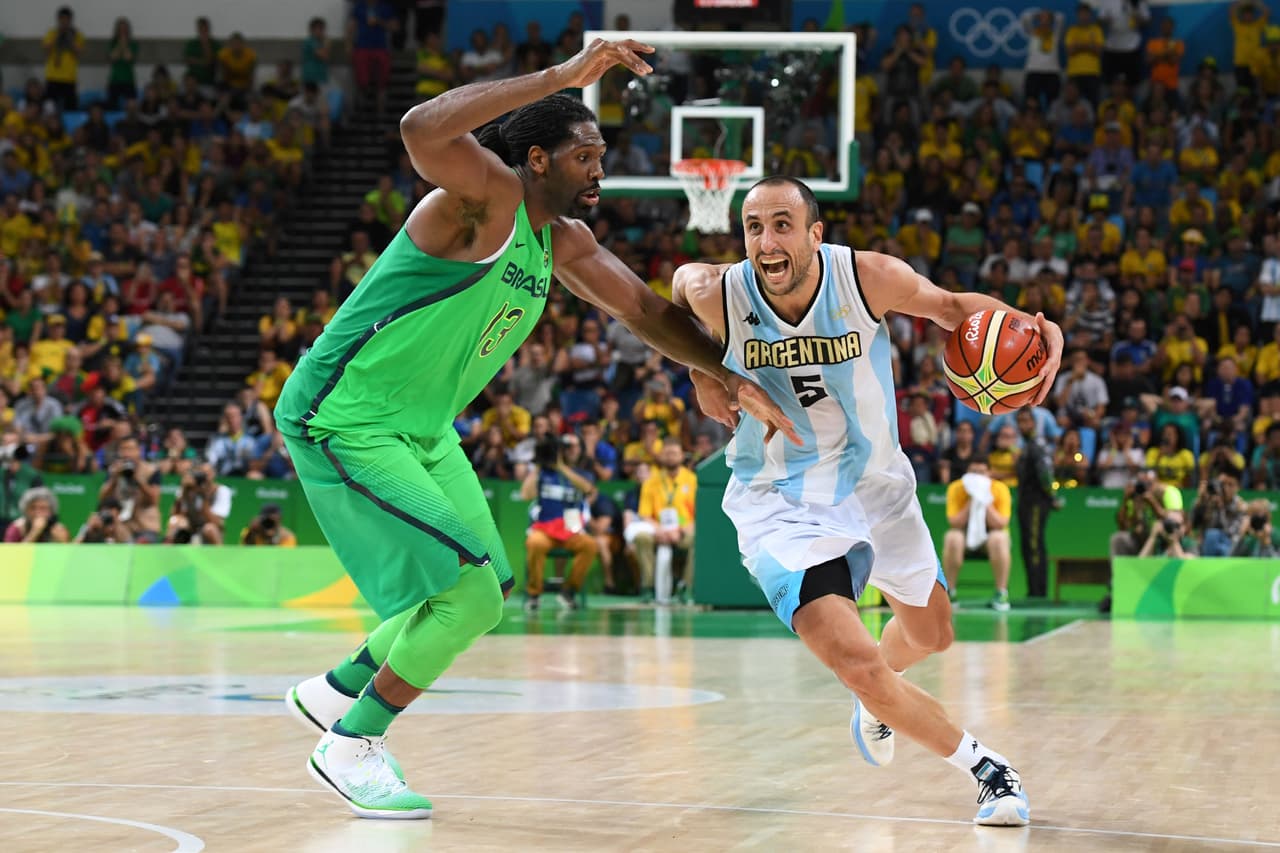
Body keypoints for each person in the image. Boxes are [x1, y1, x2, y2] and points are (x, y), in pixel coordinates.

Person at [273, 38, 794, 819]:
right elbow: (421, 129)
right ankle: (352, 738)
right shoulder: (482, 193)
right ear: (539, 159)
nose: (600, 170)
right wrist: (561, 78)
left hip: (420, 428)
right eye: (585, 155)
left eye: (604, 154)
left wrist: (724, 372)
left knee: (492, 586)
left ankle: (339, 686)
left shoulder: (561, 243)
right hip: (345, 414)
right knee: (468, 596)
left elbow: (646, 311)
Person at [673, 175, 1064, 826]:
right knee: (857, 661)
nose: (766, 242)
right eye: (752, 228)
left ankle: (877, 698)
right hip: (780, 502)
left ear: (814, 234)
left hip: (875, 481)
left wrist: (1039, 333)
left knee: (933, 632)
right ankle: (990, 771)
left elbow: (952, 309)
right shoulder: (724, 291)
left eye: (781, 225)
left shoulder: (868, 277)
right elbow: (680, 289)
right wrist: (701, 368)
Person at [520, 432, 597, 611]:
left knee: (590, 545)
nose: (570, 451)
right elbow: (526, 494)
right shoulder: (543, 473)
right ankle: (534, 594)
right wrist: (539, 465)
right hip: (545, 527)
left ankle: (568, 592)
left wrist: (561, 467)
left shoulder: (583, 474)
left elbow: (588, 488)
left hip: (571, 527)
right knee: (534, 542)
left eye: (574, 447)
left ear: (581, 450)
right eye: (565, 447)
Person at [631, 436, 697, 603]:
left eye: (674, 453)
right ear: (661, 456)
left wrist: (680, 530)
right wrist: (660, 530)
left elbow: (699, 515)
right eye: (667, 454)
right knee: (641, 538)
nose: (670, 457)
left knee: (697, 540)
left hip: (683, 531)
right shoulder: (650, 482)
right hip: (658, 530)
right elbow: (645, 515)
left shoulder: (692, 480)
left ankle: (686, 588)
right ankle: (648, 588)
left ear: (682, 456)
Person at [941, 456, 1013, 611]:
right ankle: (950, 592)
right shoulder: (956, 488)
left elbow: (1001, 523)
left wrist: (984, 499)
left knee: (999, 538)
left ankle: (1001, 593)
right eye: (973, 472)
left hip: (990, 537)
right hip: (964, 535)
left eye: (981, 472)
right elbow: (955, 522)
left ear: (989, 473)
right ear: (967, 473)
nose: (977, 476)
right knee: (952, 537)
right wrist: (972, 499)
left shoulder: (1000, 489)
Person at [1014, 405, 1058, 599]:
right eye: (1019, 421)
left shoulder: (1037, 445)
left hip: (1036, 503)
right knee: (1028, 545)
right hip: (1025, 501)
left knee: (1034, 545)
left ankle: (1039, 593)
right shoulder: (1026, 446)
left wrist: (1051, 495)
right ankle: (1033, 590)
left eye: (1026, 421)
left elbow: (1046, 474)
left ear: (1033, 423)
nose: (1022, 425)